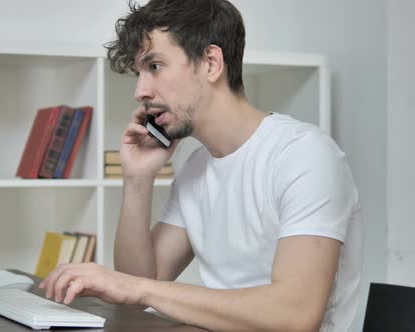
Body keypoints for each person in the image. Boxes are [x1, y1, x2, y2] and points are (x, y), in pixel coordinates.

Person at [39, 0, 362, 331]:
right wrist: (137, 179)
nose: (140, 91)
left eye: (154, 66)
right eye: (139, 73)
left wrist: (139, 289)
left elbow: (295, 315)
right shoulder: (196, 167)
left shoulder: (305, 155)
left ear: (210, 62)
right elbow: (139, 283)